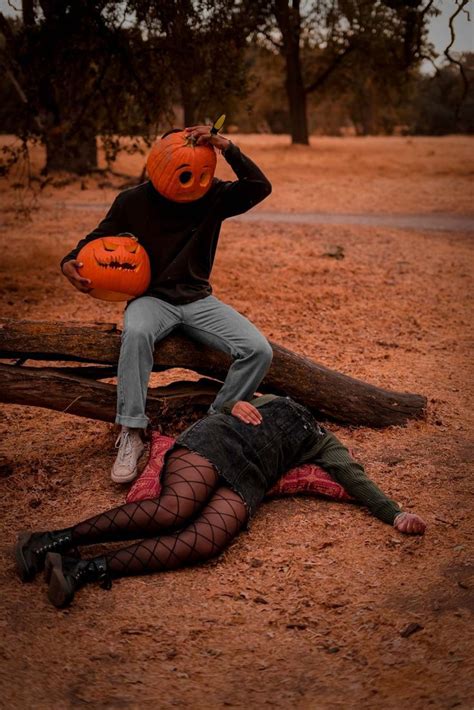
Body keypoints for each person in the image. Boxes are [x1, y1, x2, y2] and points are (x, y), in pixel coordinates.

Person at [15, 395, 426, 609]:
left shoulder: (323, 441)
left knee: (206, 541)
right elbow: (220, 402)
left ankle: (81, 569)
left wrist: (395, 513)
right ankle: (50, 539)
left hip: (249, 479)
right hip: (216, 442)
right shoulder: (269, 397)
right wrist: (235, 403)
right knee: (175, 508)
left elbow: (354, 477)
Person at [60, 125, 273, 483]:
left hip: (197, 298)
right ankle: (132, 431)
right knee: (138, 333)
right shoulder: (132, 201)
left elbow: (259, 187)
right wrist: (68, 262)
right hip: (151, 298)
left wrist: (227, 147)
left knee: (258, 350)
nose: (189, 179)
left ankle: (217, 418)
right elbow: (94, 240)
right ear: (159, 161)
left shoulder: (214, 196)